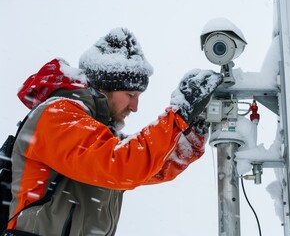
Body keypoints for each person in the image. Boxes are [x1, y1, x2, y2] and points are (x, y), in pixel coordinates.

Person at [4, 27, 223, 235]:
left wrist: (192, 130)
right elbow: (124, 164)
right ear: (104, 86)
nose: (135, 107)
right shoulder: (57, 116)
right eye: (130, 94)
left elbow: (154, 165)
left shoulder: (97, 136)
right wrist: (178, 116)